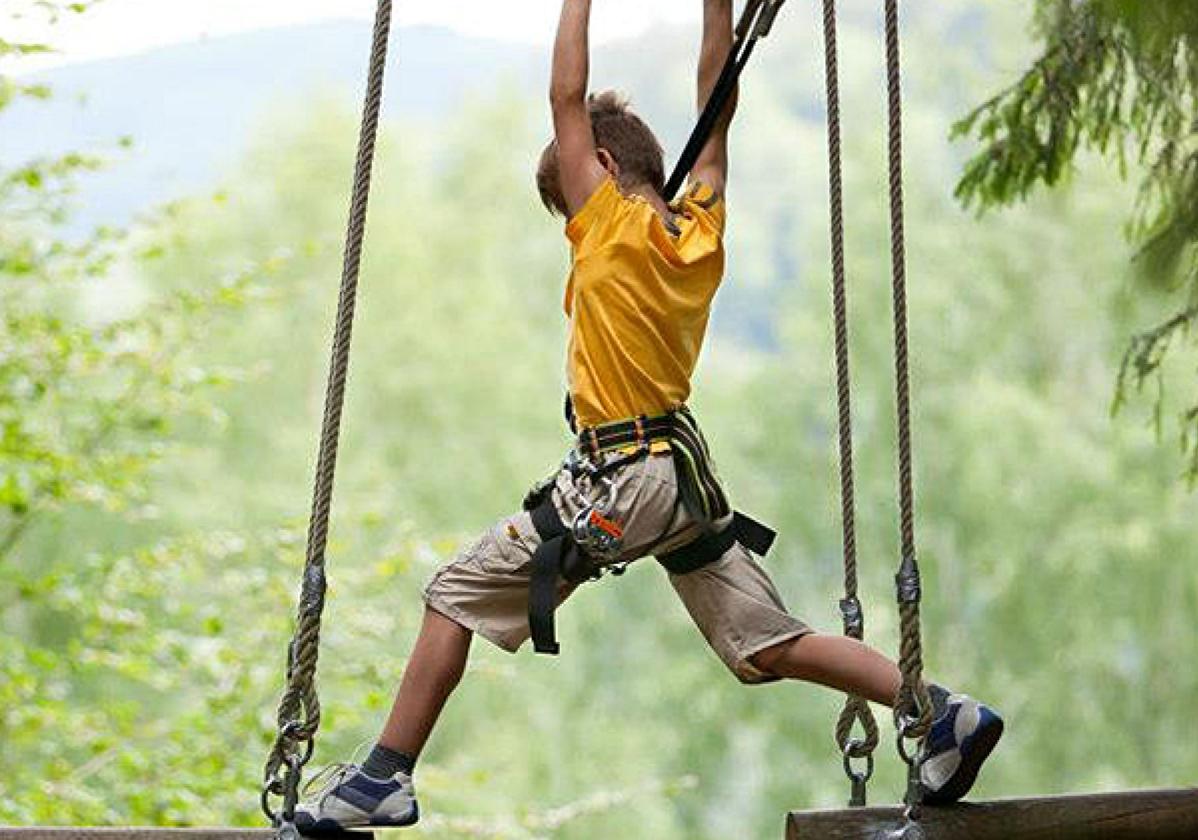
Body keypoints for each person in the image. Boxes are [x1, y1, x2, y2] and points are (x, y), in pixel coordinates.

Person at [295, 1, 1001, 831]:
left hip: (622, 475)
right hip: (681, 481)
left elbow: (568, 93)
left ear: (595, 167)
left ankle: (384, 776)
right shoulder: (699, 225)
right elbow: (718, 89)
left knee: (455, 592)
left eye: (568, 201)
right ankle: (936, 708)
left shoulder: (610, 230)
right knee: (760, 643)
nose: (571, 223)